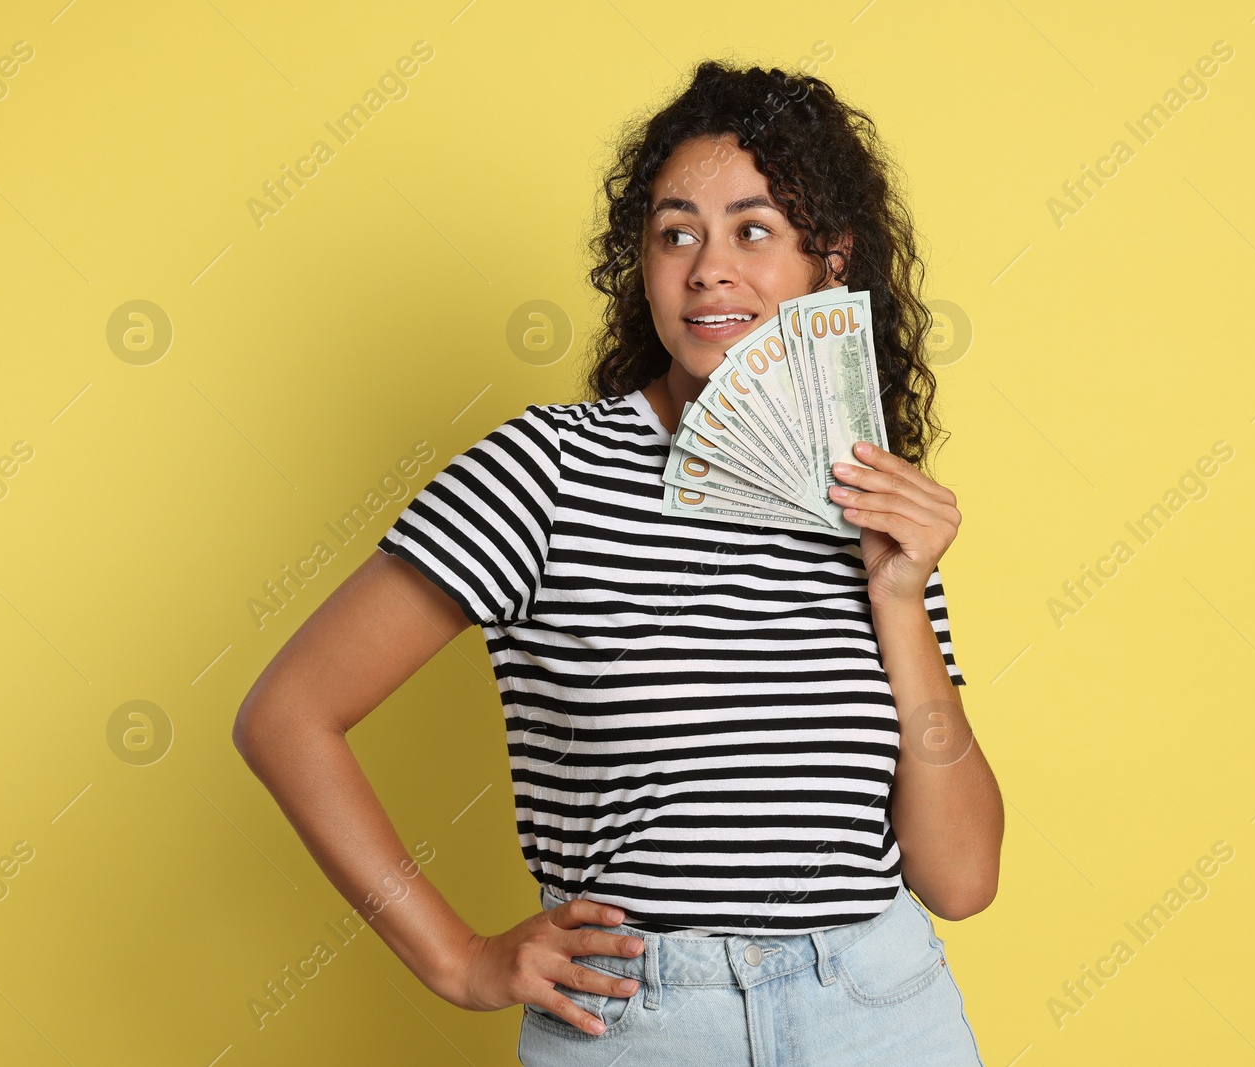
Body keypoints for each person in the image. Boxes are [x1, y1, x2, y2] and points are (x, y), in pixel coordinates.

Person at [233, 58, 1003, 1066]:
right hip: (640, 1022)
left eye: (752, 229)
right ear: (639, 266)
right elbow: (286, 715)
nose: (708, 267)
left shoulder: (867, 499)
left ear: (832, 262)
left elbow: (960, 879)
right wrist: (459, 959)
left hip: (878, 1003)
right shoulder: (546, 472)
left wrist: (899, 595)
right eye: (675, 231)